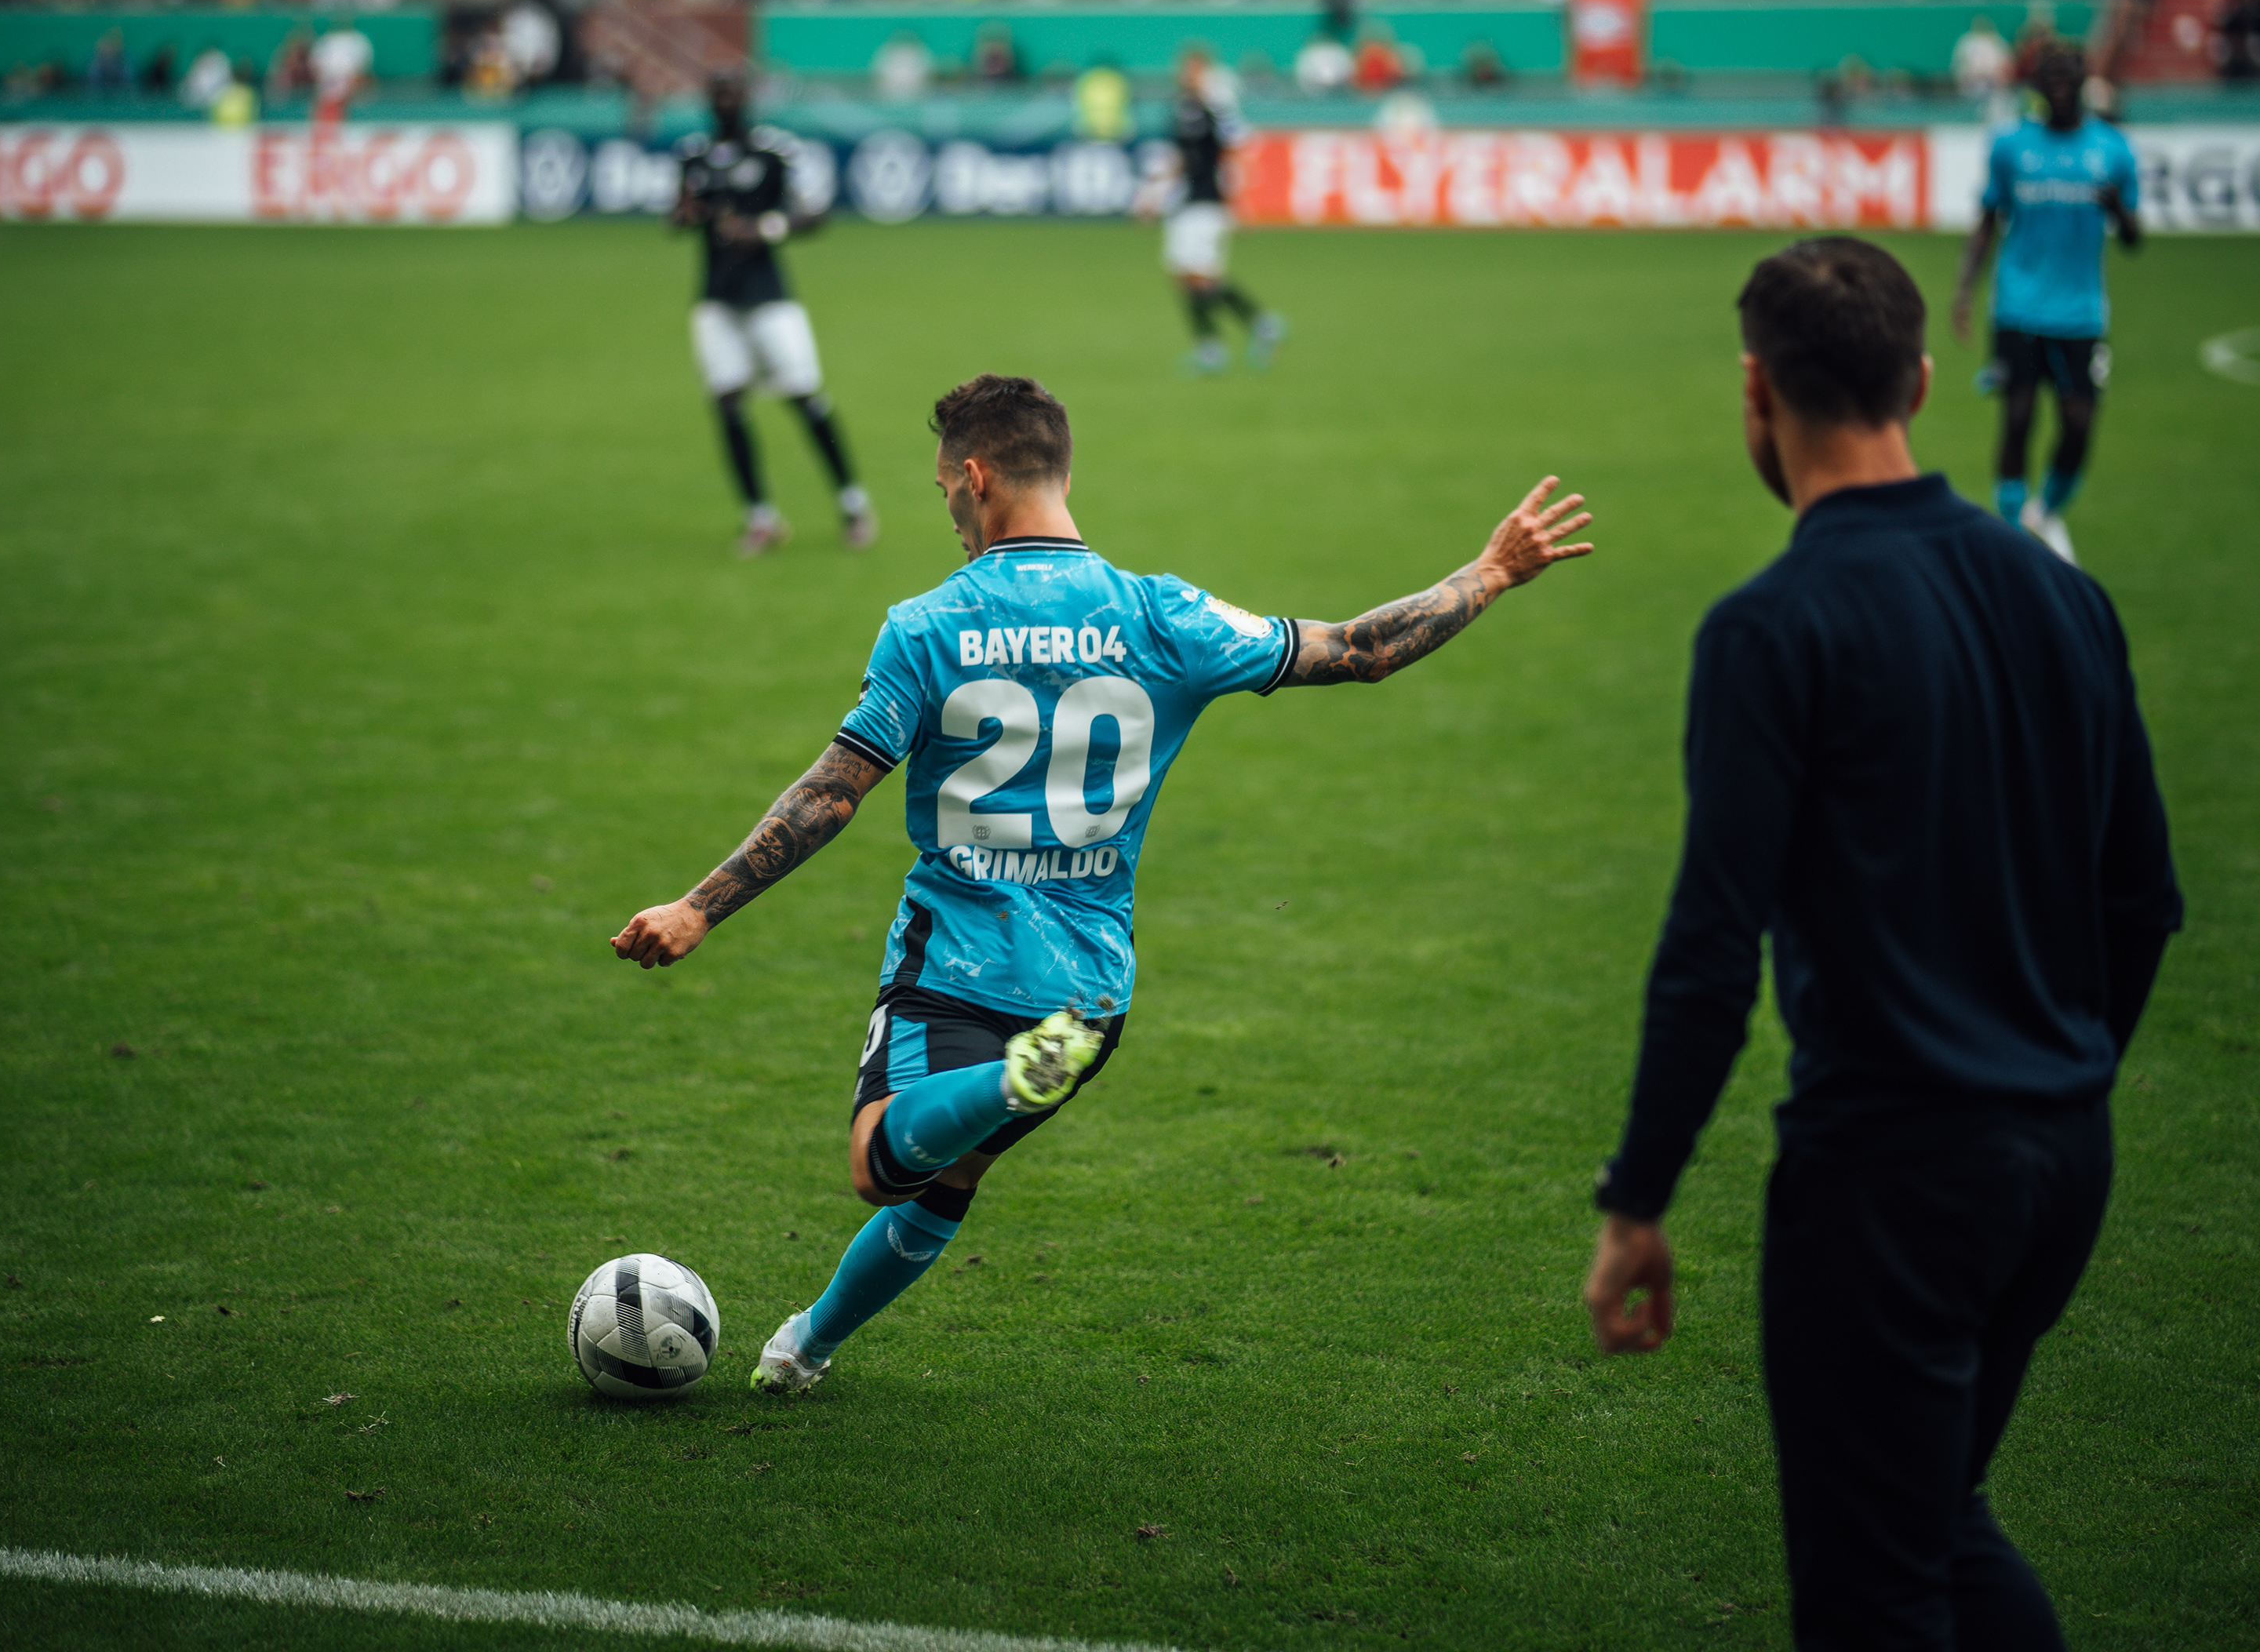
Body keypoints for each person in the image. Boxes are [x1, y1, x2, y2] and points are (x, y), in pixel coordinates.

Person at [613, 374, 1591, 1392]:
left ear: (976, 478)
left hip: (956, 961)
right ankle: (803, 1349)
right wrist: (1489, 572)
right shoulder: (1163, 615)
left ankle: (998, 1083)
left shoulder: (929, 624)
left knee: (880, 1164)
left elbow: (830, 796)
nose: (948, 507)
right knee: (952, 1179)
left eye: (946, 487)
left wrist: (698, 906)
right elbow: (1360, 651)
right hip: (1086, 992)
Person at [1584, 237, 2182, 1650]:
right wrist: (2061, 1075)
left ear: (1755, 393)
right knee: (1941, 1528)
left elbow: (1711, 949)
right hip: (2059, 1166)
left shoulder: (1772, 625)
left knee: (1877, 1594)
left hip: (1895, 1181)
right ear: (1921, 378)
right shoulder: (2064, 598)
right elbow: (2143, 902)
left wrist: (1638, 1201)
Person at [1950, 42, 2142, 565]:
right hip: (2017, 305)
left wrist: (2119, 212)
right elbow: (1988, 219)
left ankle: (2047, 506)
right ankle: (2011, 525)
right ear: (2035, 87)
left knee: (2078, 423)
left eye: (2068, 79)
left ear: (2083, 85)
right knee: (2017, 417)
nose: (2059, 88)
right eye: (2049, 79)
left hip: (2081, 311)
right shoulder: (2010, 147)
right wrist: (1965, 289)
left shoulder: (2113, 150)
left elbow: (2133, 238)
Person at [674, 72, 875, 554]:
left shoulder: (774, 152)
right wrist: (688, 216)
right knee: (727, 403)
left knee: (804, 396)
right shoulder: (695, 154)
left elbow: (814, 213)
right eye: (718, 93)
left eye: (733, 93)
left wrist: (762, 228)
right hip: (716, 297)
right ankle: (760, 516)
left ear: (747, 99)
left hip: (769, 296)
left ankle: (852, 501)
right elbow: (679, 210)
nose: (726, 102)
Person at [1135, 49, 1286, 374]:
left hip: (1208, 201)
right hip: (1185, 201)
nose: (1190, 76)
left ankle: (1249, 329)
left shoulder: (1218, 109)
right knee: (1182, 276)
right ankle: (1225, 341)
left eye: (1197, 71)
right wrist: (1153, 193)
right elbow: (1183, 157)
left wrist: (1239, 202)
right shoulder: (1178, 108)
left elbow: (1233, 154)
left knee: (1200, 276)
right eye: (1186, 70)